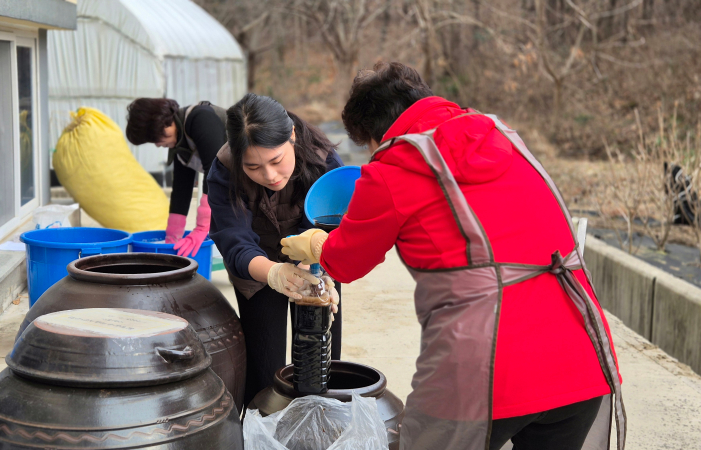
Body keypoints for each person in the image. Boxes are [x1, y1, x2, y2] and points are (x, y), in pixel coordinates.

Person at [281, 62, 626, 450]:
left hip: (485, 373)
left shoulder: (393, 168)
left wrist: (315, 245)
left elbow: (347, 261)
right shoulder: (504, 137)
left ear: (376, 135)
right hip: (579, 357)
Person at [207, 93, 343, 407]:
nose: (269, 175)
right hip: (258, 266)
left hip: (315, 261)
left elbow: (338, 224)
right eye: (253, 167)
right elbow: (234, 241)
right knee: (264, 368)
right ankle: (263, 431)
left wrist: (321, 270)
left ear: (292, 136)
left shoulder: (322, 158)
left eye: (277, 161)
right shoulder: (224, 170)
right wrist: (273, 273)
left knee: (320, 364)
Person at [126, 98, 227, 256]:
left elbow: (216, 169)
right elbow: (181, 190)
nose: (158, 144)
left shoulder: (200, 119)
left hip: (266, 175)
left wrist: (202, 227)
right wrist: (172, 237)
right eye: (153, 141)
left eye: (157, 137)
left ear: (165, 120)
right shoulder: (180, 144)